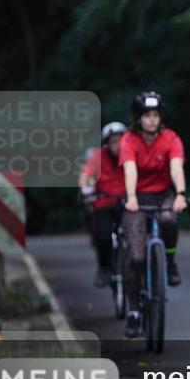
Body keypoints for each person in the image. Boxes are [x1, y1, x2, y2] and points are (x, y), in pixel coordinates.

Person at [119, 92, 188, 338]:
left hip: (162, 196)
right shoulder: (129, 140)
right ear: (138, 119)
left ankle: (169, 262)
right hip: (136, 198)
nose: (151, 120)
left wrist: (180, 193)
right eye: (146, 116)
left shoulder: (171, 138)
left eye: (155, 115)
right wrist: (131, 196)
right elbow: (130, 169)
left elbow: (176, 167)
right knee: (136, 258)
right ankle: (134, 311)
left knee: (169, 220)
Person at [78, 122, 127, 288]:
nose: (118, 146)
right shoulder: (98, 156)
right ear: (107, 143)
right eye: (113, 142)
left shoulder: (130, 154)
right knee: (103, 237)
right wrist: (87, 192)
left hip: (127, 203)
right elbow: (86, 175)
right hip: (104, 203)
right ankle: (103, 267)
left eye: (120, 141)